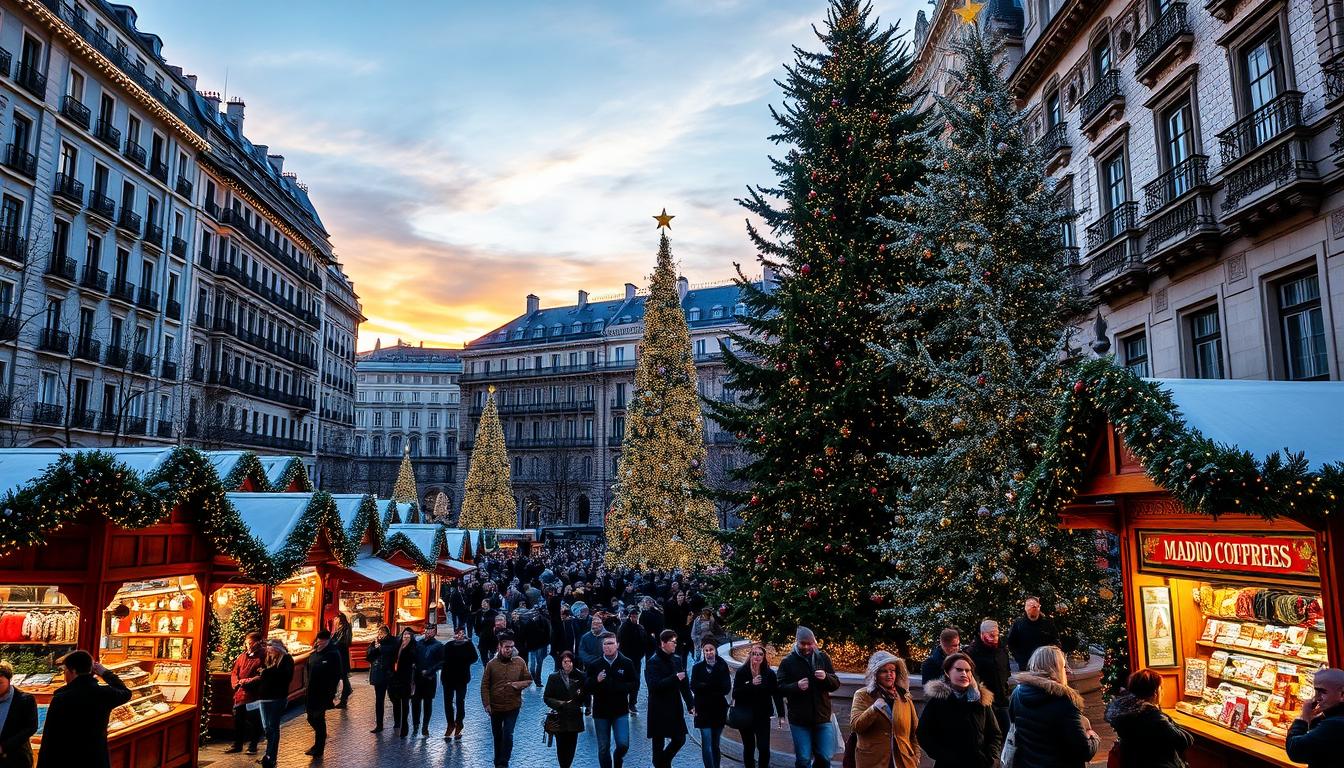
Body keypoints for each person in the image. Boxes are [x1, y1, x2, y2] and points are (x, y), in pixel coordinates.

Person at [34, 650, 131, 768]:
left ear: (73, 671)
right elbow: (126, 692)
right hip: (96, 759)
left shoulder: (62, 698)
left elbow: (50, 737)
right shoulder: (103, 694)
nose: (65, 675)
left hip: (67, 759)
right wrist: (104, 672)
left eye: (65, 671)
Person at [1008, 645, 1098, 768]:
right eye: (1064, 666)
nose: (1067, 671)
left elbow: (1016, 730)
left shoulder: (1017, 694)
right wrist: (1092, 736)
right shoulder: (1064, 701)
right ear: (1056, 669)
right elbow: (1084, 751)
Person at [917, 652, 1001, 768]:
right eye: (959, 670)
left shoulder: (981, 701)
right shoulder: (938, 702)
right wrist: (945, 756)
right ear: (947, 672)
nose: (964, 674)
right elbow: (923, 734)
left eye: (968, 670)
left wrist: (992, 757)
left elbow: (995, 733)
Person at [778, 626, 841, 768]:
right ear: (796, 642)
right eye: (802, 643)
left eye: (809, 643)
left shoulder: (822, 658)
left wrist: (826, 677)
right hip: (799, 720)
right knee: (803, 758)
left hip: (822, 717)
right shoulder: (788, 661)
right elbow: (779, 688)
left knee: (825, 756)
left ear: (814, 643)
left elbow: (835, 683)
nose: (806, 647)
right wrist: (796, 686)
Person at [1104, 668, 1192, 768]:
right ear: (1155, 692)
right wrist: (1167, 719)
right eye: (1161, 687)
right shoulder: (1152, 716)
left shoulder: (1128, 712)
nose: (1162, 691)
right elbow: (1185, 740)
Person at [850, 651, 919, 768]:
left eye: (892, 670)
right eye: (884, 671)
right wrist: (873, 709)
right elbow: (856, 726)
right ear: (875, 674)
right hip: (873, 761)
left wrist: (916, 756)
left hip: (902, 761)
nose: (889, 675)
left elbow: (914, 732)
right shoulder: (863, 695)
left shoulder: (904, 697)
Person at [586, 632, 638, 768]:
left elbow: (634, 683)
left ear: (617, 645)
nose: (608, 646)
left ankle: (617, 758)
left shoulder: (626, 663)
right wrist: (596, 681)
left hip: (620, 710)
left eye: (611, 643)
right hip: (600, 712)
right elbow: (586, 687)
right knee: (603, 748)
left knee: (623, 744)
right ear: (602, 646)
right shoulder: (594, 664)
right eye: (605, 644)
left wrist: (620, 687)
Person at [481, 630, 531, 768]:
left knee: (508, 734)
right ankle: (497, 761)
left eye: (511, 647)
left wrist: (517, 685)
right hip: (495, 707)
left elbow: (528, 679)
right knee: (497, 736)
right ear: (500, 647)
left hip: (512, 706)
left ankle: (504, 761)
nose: (509, 650)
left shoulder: (520, 662)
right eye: (506, 647)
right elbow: (484, 685)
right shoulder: (491, 664)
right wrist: (486, 704)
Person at [646, 629, 695, 768]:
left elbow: (684, 685)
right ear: (663, 643)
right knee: (658, 742)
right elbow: (654, 686)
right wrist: (674, 678)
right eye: (672, 642)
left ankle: (662, 762)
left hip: (674, 706)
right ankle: (661, 764)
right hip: (658, 707)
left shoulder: (677, 659)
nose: (675, 645)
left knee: (680, 739)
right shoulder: (653, 662)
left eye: (675, 642)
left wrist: (691, 704)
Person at [732, 643, 783, 768]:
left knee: (764, 747)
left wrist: (781, 714)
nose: (757, 657)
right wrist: (750, 684)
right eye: (754, 654)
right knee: (749, 747)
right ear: (750, 655)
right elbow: (735, 693)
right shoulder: (742, 672)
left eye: (760, 654)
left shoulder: (769, 673)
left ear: (764, 656)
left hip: (762, 716)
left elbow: (776, 693)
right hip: (745, 714)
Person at [1286, 667, 1344, 768]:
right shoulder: (1334, 717)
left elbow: (1295, 750)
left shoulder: (1336, 724)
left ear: (1342, 695)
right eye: (1316, 691)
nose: (1316, 698)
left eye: (1323, 692)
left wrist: (1302, 719)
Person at [964, 619, 1011, 733]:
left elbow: (1006, 672)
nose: (994, 638)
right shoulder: (971, 653)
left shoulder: (1002, 650)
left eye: (996, 635)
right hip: (985, 703)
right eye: (991, 635)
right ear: (982, 634)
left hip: (1002, 700)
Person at [692, 640, 732, 768]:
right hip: (702, 709)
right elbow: (693, 686)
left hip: (718, 709)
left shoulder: (722, 666)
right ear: (703, 652)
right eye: (706, 650)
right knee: (706, 743)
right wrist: (713, 686)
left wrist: (705, 686)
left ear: (715, 650)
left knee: (715, 743)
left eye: (711, 650)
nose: (709, 653)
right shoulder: (697, 668)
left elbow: (726, 688)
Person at [543, 651, 586, 768]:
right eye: (565, 662)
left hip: (574, 717)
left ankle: (567, 765)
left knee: (572, 746)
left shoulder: (581, 676)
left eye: (570, 661)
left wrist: (582, 703)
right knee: (561, 747)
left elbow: (586, 694)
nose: (568, 664)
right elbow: (547, 697)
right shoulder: (553, 677)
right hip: (559, 717)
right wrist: (560, 704)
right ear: (561, 663)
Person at [304, 628, 342, 758]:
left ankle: (319, 748)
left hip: (323, 692)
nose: (319, 642)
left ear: (327, 641)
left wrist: (332, 692)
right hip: (311, 691)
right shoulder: (314, 653)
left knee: (319, 718)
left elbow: (337, 674)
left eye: (322, 641)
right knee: (310, 717)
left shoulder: (333, 653)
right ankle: (320, 737)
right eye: (318, 640)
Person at [225, 630, 264, 754]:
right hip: (240, 694)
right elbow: (235, 672)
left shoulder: (262, 656)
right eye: (247, 642)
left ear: (257, 643)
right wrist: (235, 683)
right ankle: (238, 744)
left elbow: (262, 675)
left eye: (250, 643)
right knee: (238, 719)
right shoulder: (242, 656)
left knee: (253, 720)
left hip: (254, 694)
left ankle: (253, 745)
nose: (248, 645)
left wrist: (246, 681)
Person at [256, 641, 294, 768]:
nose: (269, 651)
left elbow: (286, 676)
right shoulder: (267, 659)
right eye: (268, 649)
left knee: (273, 727)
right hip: (263, 698)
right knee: (266, 727)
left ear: (278, 649)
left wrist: (267, 672)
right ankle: (268, 754)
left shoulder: (287, 659)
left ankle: (271, 756)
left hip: (277, 698)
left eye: (271, 649)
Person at [441, 623, 479, 740]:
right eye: (457, 633)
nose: (459, 635)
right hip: (448, 678)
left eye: (462, 633)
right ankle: (450, 724)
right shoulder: (448, 645)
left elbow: (474, 658)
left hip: (462, 678)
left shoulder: (468, 645)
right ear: (454, 635)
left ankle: (459, 723)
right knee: (448, 702)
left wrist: (464, 661)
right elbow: (442, 659)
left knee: (460, 701)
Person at [0, 661, 38, 768]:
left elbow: (31, 727)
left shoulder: (25, 699)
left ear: (9, 680)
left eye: (0, 683)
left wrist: (4, 747)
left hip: (17, 759)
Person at [410, 624, 444, 736]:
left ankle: (425, 726)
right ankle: (416, 725)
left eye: (431, 630)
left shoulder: (438, 646)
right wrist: (413, 664)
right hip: (417, 678)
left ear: (435, 632)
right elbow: (413, 656)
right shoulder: (419, 644)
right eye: (427, 630)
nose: (428, 632)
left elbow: (442, 662)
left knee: (427, 703)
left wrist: (430, 671)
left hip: (429, 679)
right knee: (415, 703)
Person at [1007, 598, 1059, 672]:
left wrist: (1050, 657)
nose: (1032, 609)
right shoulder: (1018, 624)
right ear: (1025, 608)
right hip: (1026, 665)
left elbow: (1055, 641)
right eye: (1029, 606)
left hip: (1045, 665)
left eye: (1035, 606)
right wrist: (1020, 659)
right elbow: (1011, 643)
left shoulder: (1048, 623)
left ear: (1039, 607)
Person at [365, 624, 396, 733]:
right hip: (378, 674)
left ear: (386, 634)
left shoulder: (392, 641)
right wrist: (375, 648)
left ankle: (398, 722)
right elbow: (368, 656)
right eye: (379, 633)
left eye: (381, 633)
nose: (379, 635)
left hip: (389, 674)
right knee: (379, 700)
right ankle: (379, 725)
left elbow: (392, 653)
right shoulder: (375, 643)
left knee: (394, 698)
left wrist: (380, 647)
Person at [389, 627, 418, 737]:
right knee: (396, 700)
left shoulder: (413, 647)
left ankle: (405, 726)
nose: (406, 636)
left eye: (408, 635)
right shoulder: (398, 645)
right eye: (405, 634)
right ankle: (397, 722)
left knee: (405, 703)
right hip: (396, 678)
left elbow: (414, 659)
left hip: (406, 679)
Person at [617, 608, 646, 714]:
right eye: (633, 616)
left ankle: (632, 703)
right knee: (625, 680)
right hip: (626, 659)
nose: (635, 618)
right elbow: (621, 643)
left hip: (636, 659)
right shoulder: (624, 628)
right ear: (630, 616)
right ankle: (625, 703)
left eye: (636, 616)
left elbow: (643, 641)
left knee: (636, 681)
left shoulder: (640, 628)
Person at [329, 612, 354, 707]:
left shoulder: (345, 628)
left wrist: (331, 644)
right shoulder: (340, 628)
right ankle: (344, 696)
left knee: (341, 676)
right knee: (341, 676)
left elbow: (344, 642)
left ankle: (344, 695)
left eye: (336, 619)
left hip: (341, 656)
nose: (335, 621)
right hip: (339, 655)